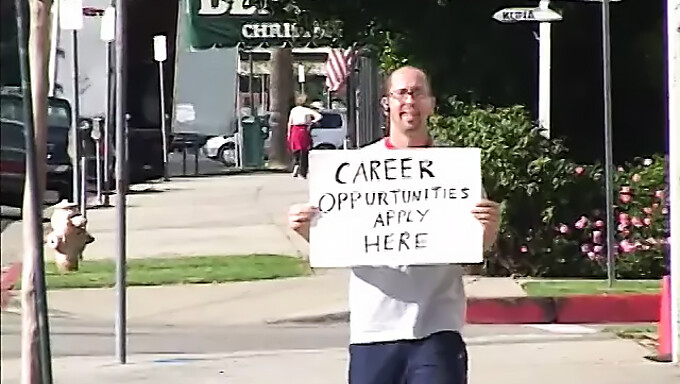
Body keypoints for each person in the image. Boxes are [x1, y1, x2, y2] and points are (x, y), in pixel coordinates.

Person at [287, 66, 501, 384]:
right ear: (387, 103)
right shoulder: (355, 169)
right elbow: (338, 240)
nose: (409, 101)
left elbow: (473, 249)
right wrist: (309, 230)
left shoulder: (455, 172)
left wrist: (490, 228)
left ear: (431, 103)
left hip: (436, 330)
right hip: (373, 331)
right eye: (401, 93)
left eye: (417, 93)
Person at [287, 94, 322, 178]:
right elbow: (319, 116)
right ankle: (302, 172)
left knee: (296, 150)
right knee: (304, 151)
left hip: (294, 130)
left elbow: (290, 122)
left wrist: (289, 133)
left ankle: (296, 164)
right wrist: (312, 122)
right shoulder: (306, 110)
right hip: (303, 129)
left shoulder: (294, 110)